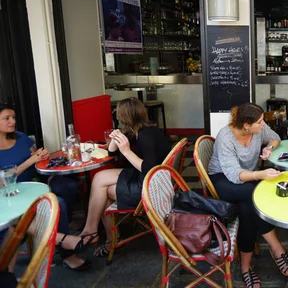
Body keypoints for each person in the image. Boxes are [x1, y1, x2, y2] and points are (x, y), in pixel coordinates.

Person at [208, 103, 288, 288]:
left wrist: (269, 148)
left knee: (248, 208)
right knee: (253, 194)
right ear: (246, 125)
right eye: (259, 122)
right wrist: (260, 175)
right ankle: (277, 249)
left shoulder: (258, 131)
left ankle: (246, 267)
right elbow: (233, 174)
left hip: (247, 180)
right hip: (222, 178)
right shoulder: (226, 137)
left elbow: (275, 137)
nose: (264, 124)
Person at [0, 102, 91, 271]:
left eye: (13, 117)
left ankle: (64, 234)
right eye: (6, 118)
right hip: (10, 194)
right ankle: (67, 250)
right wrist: (30, 161)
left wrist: (43, 156)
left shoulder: (21, 137)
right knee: (59, 203)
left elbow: (39, 159)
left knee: (67, 188)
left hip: (37, 183)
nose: (12, 121)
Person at [78, 97, 171, 257]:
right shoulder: (141, 130)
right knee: (100, 179)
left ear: (123, 116)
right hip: (151, 179)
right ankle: (99, 233)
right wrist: (116, 137)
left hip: (150, 186)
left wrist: (127, 151)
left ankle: (98, 234)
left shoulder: (146, 136)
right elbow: (111, 152)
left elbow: (150, 168)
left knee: (102, 189)